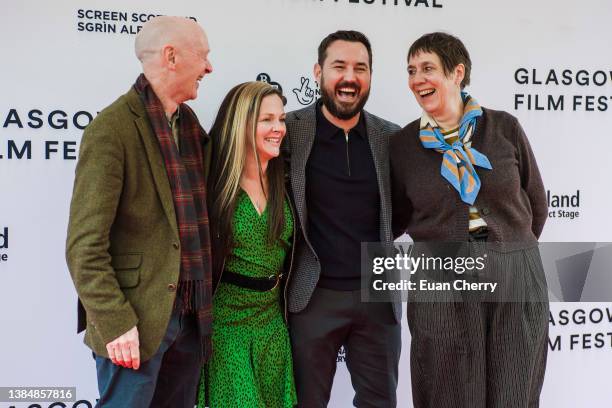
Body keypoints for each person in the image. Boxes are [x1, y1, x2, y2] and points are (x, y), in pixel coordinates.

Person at [391, 32, 549, 408]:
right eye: (412, 70)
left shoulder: (504, 127)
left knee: (513, 388)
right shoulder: (401, 146)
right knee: (448, 390)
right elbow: (396, 216)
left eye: (428, 68)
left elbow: (536, 203)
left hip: (514, 270)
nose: (417, 79)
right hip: (440, 275)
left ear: (457, 73)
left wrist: (507, 252)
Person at [66, 16, 213, 407]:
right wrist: (116, 323)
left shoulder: (189, 125)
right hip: (135, 325)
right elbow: (84, 247)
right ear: (171, 56)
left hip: (189, 318)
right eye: (203, 55)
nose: (209, 67)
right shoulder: (111, 129)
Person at [284, 30, 402, 407]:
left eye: (360, 68)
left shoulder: (391, 138)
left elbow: (407, 211)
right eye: (339, 66)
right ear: (318, 72)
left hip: (377, 299)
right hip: (312, 297)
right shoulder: (288, 131)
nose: (350, 77)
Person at [197, 81, 296, 408]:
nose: (278, 128)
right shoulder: (213, 183)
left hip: (272, 325)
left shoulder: (288, 180)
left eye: (281, 119)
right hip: (227, 327)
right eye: (267, 120)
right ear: (242, 124)